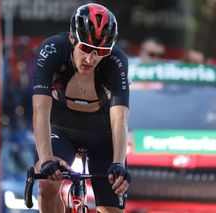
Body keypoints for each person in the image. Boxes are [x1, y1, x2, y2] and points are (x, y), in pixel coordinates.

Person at [32, 3, 130, 213]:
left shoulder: (116, 61)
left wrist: (119, 163)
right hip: (60, 127)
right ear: (71, 38)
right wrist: (47, 160)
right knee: (47, 185)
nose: (90, 59)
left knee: (111, 207)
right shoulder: (52, 50)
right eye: (85, 48)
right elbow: (40, 110)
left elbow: (120, 116)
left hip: (102, 131)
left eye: (100, 51)